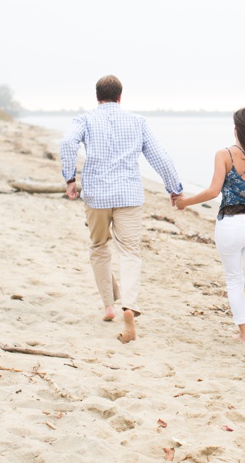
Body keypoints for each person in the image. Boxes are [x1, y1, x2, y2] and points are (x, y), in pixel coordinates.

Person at [60, 74, 183, 344]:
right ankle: (129, 305)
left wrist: (70, 179)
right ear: (120, 96)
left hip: (96, 196)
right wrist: (174, 187)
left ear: (97, 97)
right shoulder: (138, 122)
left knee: (99, 246)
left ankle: (108, 306)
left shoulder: (84, 119)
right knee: (129, 252)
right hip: (128, 195)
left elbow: (68, 143)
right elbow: (159, 155)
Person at [173, 105, 245, 342]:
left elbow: (212, 191)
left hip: (230, 225)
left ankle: (244, 334)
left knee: (234, 279)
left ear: (238, 130)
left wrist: (185, 202)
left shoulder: (224, 155)